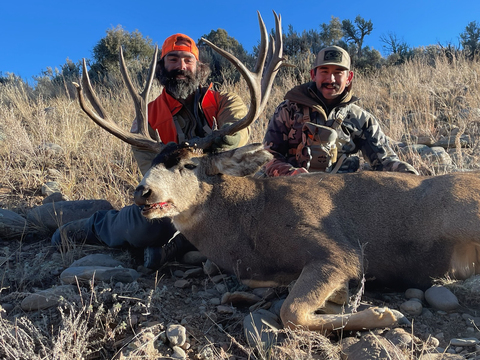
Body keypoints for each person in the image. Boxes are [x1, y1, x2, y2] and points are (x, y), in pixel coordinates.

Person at [52, 33, 250, 269]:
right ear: (162, 67)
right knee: (145, 229)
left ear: (199, 67)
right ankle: (98, 225)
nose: (181, 66)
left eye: (188, 60)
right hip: (173, 193)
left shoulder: (225, 101)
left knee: (251, 212)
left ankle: (179, 248)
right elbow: (151, 172)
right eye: (173, 60)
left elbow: (237, 133)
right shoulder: (147, 117)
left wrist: (212, 142)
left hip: (220, 188)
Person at [263, 45, 418, 176]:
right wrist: (290, 174)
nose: (331, 79)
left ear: (349, 77)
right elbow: (267, 156)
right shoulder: (288, 109)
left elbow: (385, 161)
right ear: (313, 75)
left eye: (338, 72)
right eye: (324, 71)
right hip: (292, 190)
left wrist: (409, 175)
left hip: (342, 198)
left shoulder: (362, 119)